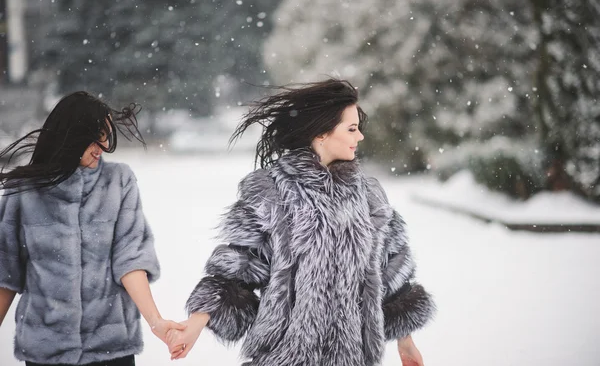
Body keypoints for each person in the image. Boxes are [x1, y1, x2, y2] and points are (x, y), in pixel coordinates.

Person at [167, 79, 435, 366]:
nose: (360, 138)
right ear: (321, 133)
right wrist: (195, 324)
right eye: (352, 129)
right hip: (283, 357)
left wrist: (406, 343)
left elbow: (393, 275)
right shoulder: (269, 192)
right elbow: (234, 271)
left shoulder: (370, 197)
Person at [0, 91, 184, 366]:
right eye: (94, 138)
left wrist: (155, 321)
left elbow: (130, 259)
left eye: (105, 137)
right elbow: (6, 274)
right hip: (46, 352)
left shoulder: (118, 182)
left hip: (111, 350)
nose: (102, 147)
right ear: (70, 136)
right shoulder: (23, 192)